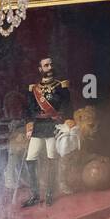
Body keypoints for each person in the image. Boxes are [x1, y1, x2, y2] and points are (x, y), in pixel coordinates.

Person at [21, 56, 74, 208]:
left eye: (51, 64)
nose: (49, 67)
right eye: (46, 65)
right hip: (38, 127)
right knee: (30, 159)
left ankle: (50, 193)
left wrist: (67, 120)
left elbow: (67, 106)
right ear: (40, 69)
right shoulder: (34, 88)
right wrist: (29, 126)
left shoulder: (61, 86)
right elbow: (29, 110)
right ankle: (35, 195)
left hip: (53, 126)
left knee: (52, 159)